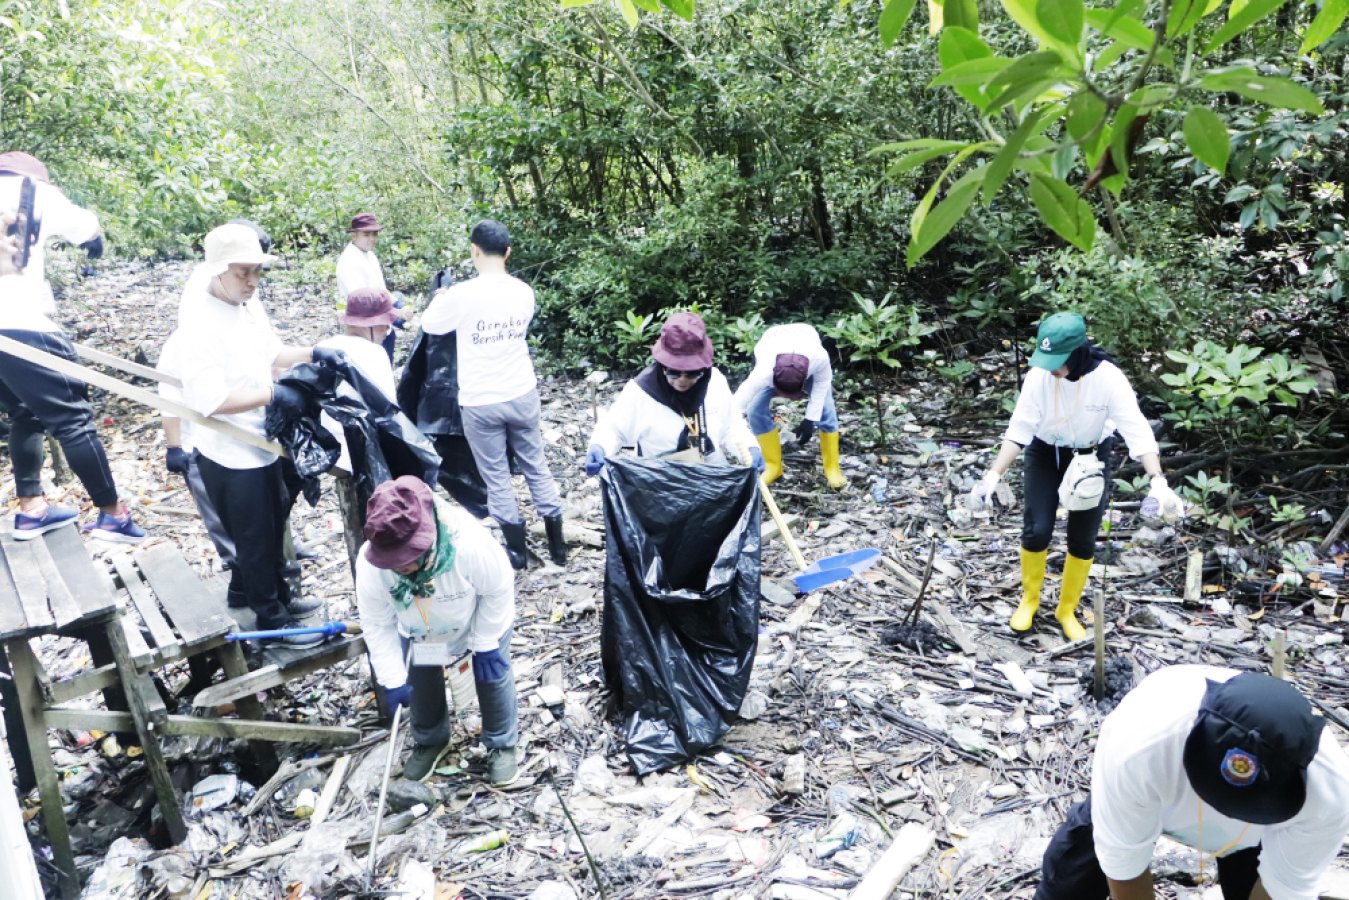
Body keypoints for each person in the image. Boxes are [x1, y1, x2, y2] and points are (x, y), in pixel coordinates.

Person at [1034, 665, 1349, 900]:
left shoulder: (1329, 793)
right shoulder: (1140, 745)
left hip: (1257, 838)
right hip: (1151, 798)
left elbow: (1285, 887)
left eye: (1241, 806)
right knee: (1068, 882)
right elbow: (1123, 868)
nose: (1227, 813)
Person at [175, 222, 344, 646]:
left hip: (262, 437)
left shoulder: (248, 303)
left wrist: (314, 352)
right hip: (229, 450)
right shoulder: (199, 322)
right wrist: (272, 392)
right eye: (242, 272)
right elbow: (207, 399)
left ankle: (278, 600)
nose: (252, 281)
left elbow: (271, 352)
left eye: (257, 271)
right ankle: (271, 619)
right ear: (217, 271)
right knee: (252, 539)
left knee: (273, 526)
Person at [967, 312, 1184, 640]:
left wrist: (1158, 482)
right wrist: (993, 476)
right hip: (1045, 452)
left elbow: (1136, 430)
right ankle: (1029, 601)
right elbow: (1020, 428)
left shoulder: (1108, 379)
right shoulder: (1039, 377)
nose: (1050, 367)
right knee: (1037, 530)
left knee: (1082, 538)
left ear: (1078, 353)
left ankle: (1066, 610)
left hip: (1090, 457)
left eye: (1057, 360)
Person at [0, 151, 144, 541]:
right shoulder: (34, 192)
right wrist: (95, 238)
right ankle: (112, 515)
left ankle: (31, 510)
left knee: (24, 411)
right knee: (74, 420)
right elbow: (85, 227)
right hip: (22, 323)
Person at [421, 219, 566, 569]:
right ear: (508, 252)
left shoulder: (461, 295)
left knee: (496, 475)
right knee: (536, 466)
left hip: (480, 400)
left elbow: (430, 326)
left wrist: (441, 298)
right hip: (521, 392)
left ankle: (517, 555)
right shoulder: (523, 291)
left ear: (474, 251)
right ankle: (558, 550)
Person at [356, 476, 519, 785]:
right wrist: (391, 678)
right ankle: (431, 740)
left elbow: (498, 589)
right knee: (421, 681)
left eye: (407, 555)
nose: (400, 566)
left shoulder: (468, 542)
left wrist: (484, 642)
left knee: (492, 676)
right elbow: (377, 623)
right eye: (393, 559)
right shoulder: (370, 566)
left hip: (476, 619)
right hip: (421, 629)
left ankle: (501, 743)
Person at [586, 311, 763, 474]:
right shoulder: (640, 391)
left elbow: (732, 427)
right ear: (663, 367)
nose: (682, 380)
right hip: (660, 479)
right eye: (674, 372)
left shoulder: (715, 381)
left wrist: (750, 449)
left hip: (710, 473)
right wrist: (599, 447)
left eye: (692, 373)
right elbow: (613, 429)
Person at [734, 322, 845, 489]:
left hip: (806, 346)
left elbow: (821, 387)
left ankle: (832, 470)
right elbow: (735, 405)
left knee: (827, 410)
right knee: (754, 410)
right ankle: (773, 466)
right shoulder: (764, 371)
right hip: (773, 346)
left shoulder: (819, 359)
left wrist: (810, 419)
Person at [316, 286, 399, 472]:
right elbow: (388, 410)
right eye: (386, 324)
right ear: (372, 324)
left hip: (329, 447)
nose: (387, 330)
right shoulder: (376, 353)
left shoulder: (323, 347)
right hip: (365, 451)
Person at [335, 212, 401, 362]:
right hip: (366, 329)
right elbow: (362, 303)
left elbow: (380, 288)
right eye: (366, 234)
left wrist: (397, 304)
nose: (372, 238)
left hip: (382, 325)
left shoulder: (369, 254)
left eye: (375, 234)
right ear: (354, 235)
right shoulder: (349, 262)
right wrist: (395, 313)